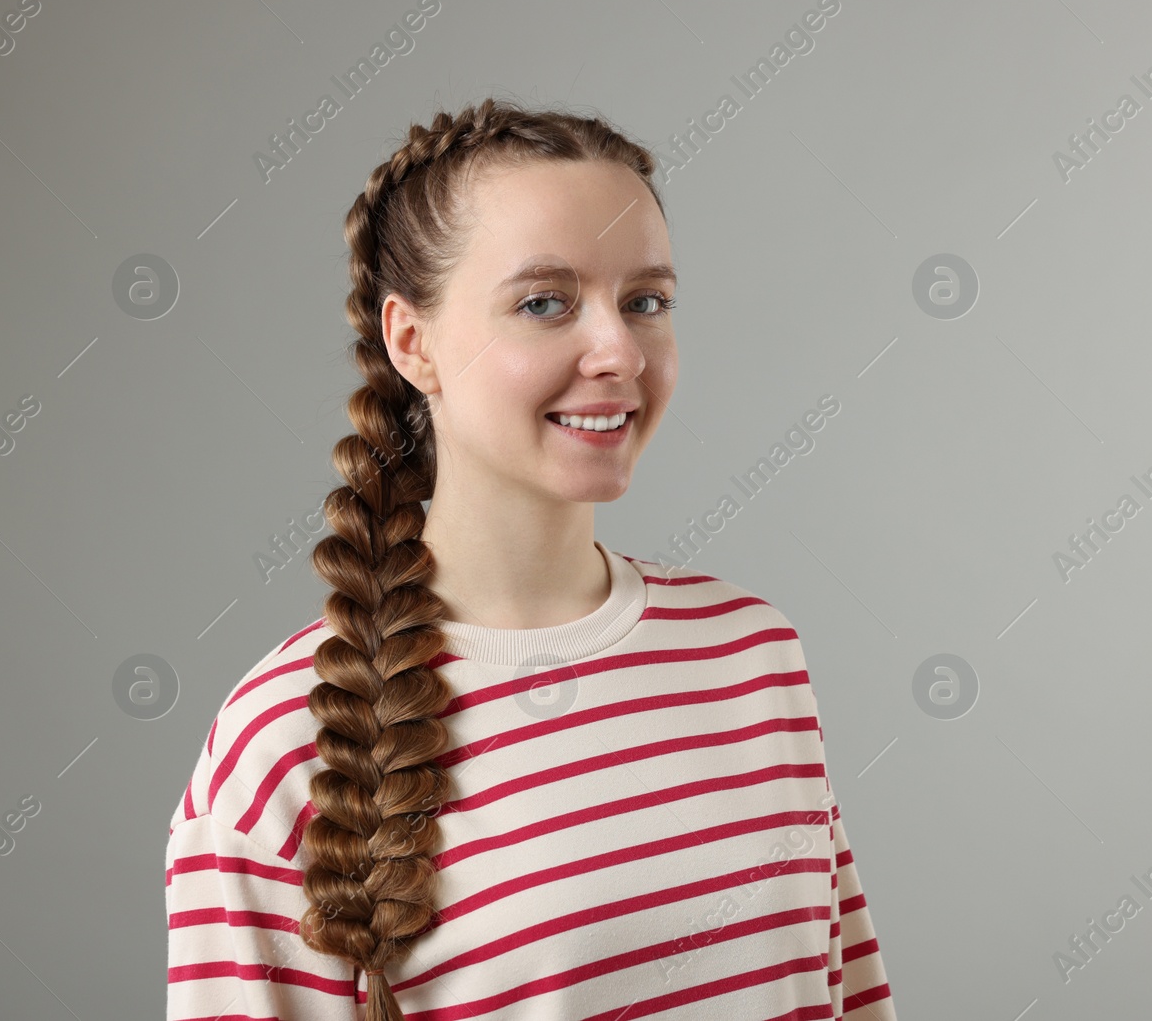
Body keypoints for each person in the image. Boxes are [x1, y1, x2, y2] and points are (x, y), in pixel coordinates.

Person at [164, 97, 896, 1020]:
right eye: (544, 302)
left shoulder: (753, 653)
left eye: (647, 301)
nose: (620, 350)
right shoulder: (279, 746)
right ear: (412, 342)